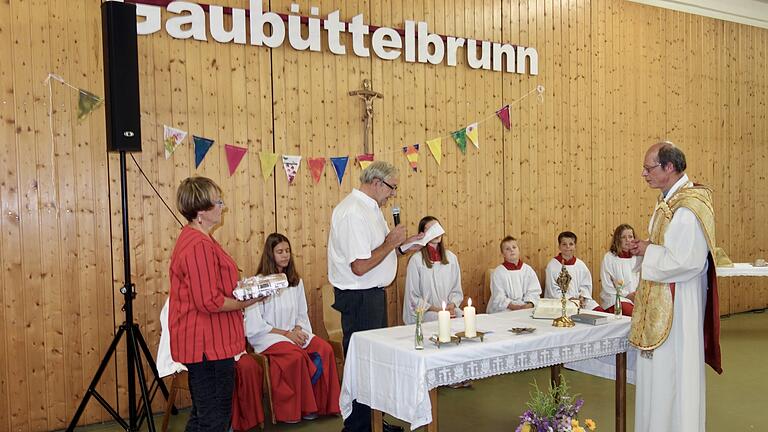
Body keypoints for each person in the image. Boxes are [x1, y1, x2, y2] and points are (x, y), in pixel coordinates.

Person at [628, 141, 721, 432]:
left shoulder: (688, 208)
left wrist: (647, 250)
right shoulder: (667, 202)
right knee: (658, 374)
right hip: (662, 297)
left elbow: (687, 260)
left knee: (674, 373)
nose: (644, 174)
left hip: (678, 305)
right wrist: (645, 250)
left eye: (649, 168)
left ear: (669, 167)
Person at [328, 161, 422, 432]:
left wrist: (405, 247)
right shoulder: (353, 213)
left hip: (372, 296)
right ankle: (358, 427)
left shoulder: (370, 210)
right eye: (392, 187)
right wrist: (392, 243)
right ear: (377, 183)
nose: (393, 194)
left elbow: (377, 253)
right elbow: (359, 266)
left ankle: (374, 422)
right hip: (359, 299)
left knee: (374, 365)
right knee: (362, 366)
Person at [168, 176, 262, 432]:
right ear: (201, 211)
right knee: (214, 420)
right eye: (218, 201)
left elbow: (214, 287)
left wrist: (245, 289)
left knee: (204, 416)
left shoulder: (199, 238)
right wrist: (248, 301)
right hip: (207, 345)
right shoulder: (197, 244)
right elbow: (208, 301)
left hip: (211, 343)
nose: (223, 206)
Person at [244, 233, 341, 423]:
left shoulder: (295, 281)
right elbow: (256, 325)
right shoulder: (259, 283)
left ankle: (324, 405)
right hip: (268, 337)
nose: (285, 255)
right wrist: (286, 334)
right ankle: (301, 409)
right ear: (270, 255)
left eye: (287, 251)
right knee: (295, 356)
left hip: (294, 332)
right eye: (280, 251)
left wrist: (297, 329)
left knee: (325, 349)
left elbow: (301, 313)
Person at [157, 299, 265, 432]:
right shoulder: (181, 298)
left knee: (208, 416)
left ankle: (242, 423)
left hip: (220, 351)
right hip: (202, 356)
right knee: (211, 417)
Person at [402, 216, 464, 324]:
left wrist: (451, 305)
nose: (435, 232)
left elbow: (456, 289)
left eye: (436, 227)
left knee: (462, 316)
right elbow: (413, 296)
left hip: (447, 309)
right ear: (422, 234)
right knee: (439, 318)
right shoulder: (416, 260)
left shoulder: (451, 258)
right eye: (429, 229)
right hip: (426, 312)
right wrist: (438, 310)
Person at [544, 231, 601, 311]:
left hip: (581, 301)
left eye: (571, 244)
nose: (568, 247)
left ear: (575, 246)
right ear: (559, 247)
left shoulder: (580, 265)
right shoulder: (552, 266)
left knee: (600, 311)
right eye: (564, 244)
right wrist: (570, 298)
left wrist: (582, 297)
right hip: (560, 302)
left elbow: (585, 285)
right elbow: (553, 291)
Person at [487, 236, 542, 313]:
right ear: (503, 254)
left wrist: (528, 305)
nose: (512, 250)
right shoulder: (498, 272)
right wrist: (514, 307)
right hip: (505, 309)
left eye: (514, 247)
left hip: (526, 307)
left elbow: (534, 292)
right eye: (507, 249)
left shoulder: (528, 270)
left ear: (518, 250)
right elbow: (498, 296)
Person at [599, 224, 640, 315]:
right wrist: (627, 295)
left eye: (630, 237)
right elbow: (607, 284)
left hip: (635, 296)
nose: (628, 240)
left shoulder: (637, 257)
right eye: (623, 237)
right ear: (618, 239)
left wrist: (637, 293)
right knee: (635, 314)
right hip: (615, 297)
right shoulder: (610, 258)